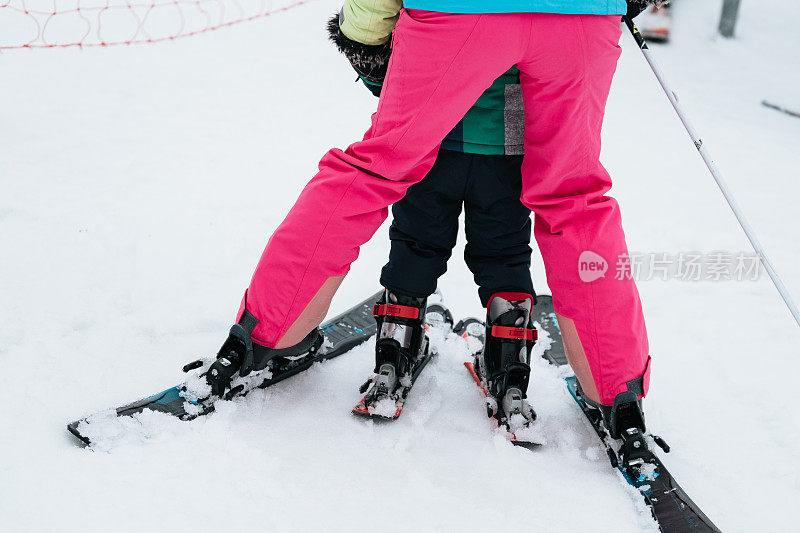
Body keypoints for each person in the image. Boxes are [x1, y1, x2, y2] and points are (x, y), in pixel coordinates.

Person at [206, 0, 658, 441]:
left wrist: (367, 45)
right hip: (579, 16)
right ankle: (617, 390)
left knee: (377, 167)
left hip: (460, 12)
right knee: (573, 196)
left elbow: (369, 21)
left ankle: (264, 334)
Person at [327, 8, 538, 427]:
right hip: (507, 135)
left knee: (416, 241)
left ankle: (394, 358)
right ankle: (510, 376)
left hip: (433, 126)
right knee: (505, 251)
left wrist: (377, 77)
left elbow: (372, 20)